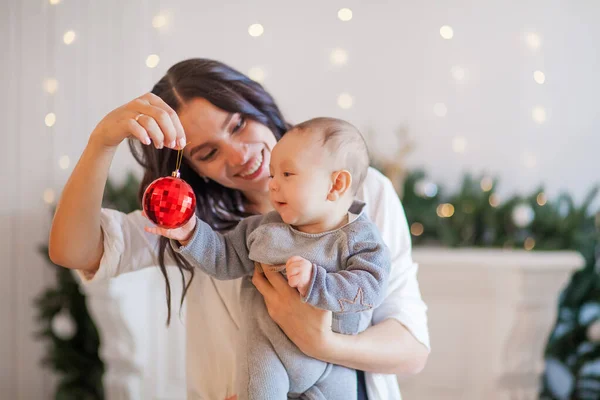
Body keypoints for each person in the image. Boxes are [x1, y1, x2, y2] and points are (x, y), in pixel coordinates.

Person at [49, 58, 430, 400]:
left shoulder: (362, 193)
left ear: (257, 106)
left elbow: (411, 348)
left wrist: (319, 341)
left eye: (238, 124)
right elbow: (71, 251)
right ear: (194, 169)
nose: (240, 154)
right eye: (208, 153)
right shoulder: (187, 220)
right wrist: (101, 143)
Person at [147, 117, 391, 399]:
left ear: (336, 184)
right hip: (267, 352)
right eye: (272, 175)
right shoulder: (263, 228)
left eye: (287, 174)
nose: (272, 184)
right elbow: (223, 257)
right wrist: (190, 232)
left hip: (333, 363)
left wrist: (317, 281)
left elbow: (371, 286)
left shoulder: (360, 237)